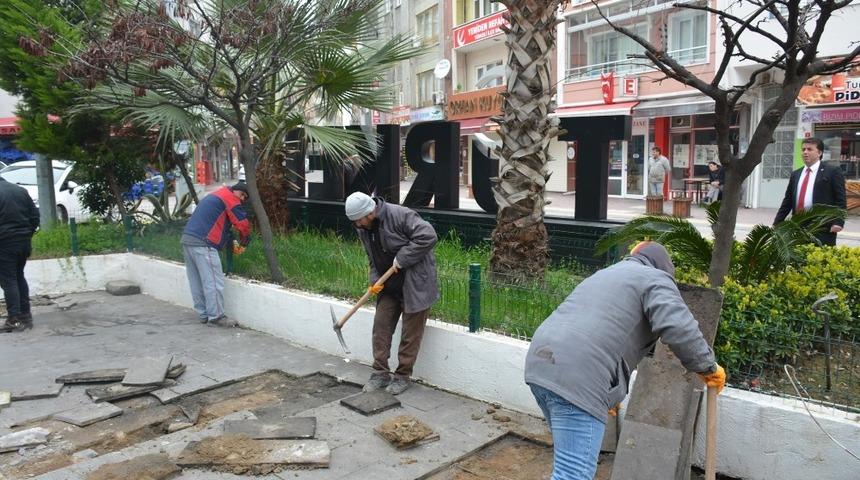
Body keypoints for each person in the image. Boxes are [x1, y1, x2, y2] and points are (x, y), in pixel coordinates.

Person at [524, 241, 726, 480]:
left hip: (540, 365)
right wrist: (707, 366)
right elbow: (679, 327)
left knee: (567, 464)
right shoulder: (655, 279)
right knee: (572, 474)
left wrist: (608, 394)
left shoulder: (606, 274)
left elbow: (604, 332)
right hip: (578, 377)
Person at [344, 191, 439, 395]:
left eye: (358, 220)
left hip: (415, 284)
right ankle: (380, 373)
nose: (357, 225)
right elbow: (372, 257)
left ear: (369, 212)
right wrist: (374, 282)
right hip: (388, 285)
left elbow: (428, 236)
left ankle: (403, 376)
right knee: (381, 328)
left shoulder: (401, 215)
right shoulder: (363, 228)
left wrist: (402, 258)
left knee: (410, 335)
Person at [181, 182, 250, 326]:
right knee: (213, 281)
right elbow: (242, 224)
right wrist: (244, 242)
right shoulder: (230, 197)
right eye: (243, 195)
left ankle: (203, 314)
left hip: (188, 240)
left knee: (197, 281)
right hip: (204, 243)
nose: (242, 199)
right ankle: (216, 317)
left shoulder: (216, 194)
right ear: (237, 191)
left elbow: (217, 222)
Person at [773, 137, 847, 246]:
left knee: (819, 259)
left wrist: (839, 222)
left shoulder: (832, 172)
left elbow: (841, 199)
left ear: (819, 153)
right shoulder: (796, 174)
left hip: (822, 226)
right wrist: (778, 221)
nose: (805, 152)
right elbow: (787, 201)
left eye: (809, 149)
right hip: (798, 225)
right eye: (803, 150)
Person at [0, 175, 40, 333]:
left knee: (8, 279)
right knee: (18, 276)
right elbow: (36, 217)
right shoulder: (20, 190)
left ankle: (14, 318)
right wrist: (26, 234)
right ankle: (26, 316)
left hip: (4, 242)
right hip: (23, 242)